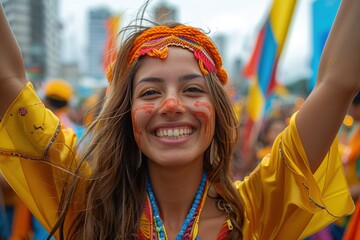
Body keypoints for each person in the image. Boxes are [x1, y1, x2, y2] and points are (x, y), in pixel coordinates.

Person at [0, 0, 359, 239]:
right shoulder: (86, 204)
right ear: (127, 117)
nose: (171, 104)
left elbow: (337, 82)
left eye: (192, 90)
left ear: (218, 111)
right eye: (150, 92)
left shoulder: (256, 211)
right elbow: (8, 81)